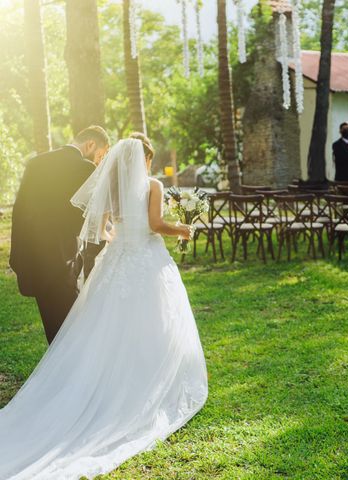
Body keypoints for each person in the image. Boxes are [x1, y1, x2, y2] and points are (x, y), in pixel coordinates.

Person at [0, 138, 208, 479]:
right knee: (154, 319)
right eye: (149, 159)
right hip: (146, 260)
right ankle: (148, 378)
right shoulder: (153, 185)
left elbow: (98, 228)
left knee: (105, 323)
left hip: (117, 263)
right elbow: (156, 225)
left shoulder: (110, 187)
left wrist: (120, 236)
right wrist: (182, 228)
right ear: (145, 159)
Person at [10, 125, 110, 344]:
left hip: (33, 260)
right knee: (71, 331)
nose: (98, 162)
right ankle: (67, 376)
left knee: (53, 330)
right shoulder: (83, 168)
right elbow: (89, 216)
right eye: (100, 156)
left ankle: (58, 375)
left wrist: (17, 257)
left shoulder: (36, 163)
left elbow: (20, 211)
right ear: (90, 144)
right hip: (62, 260)